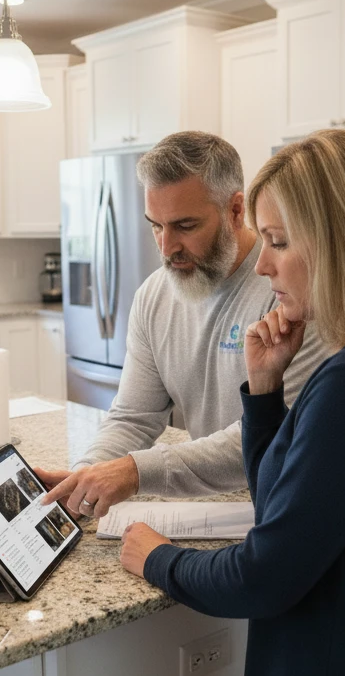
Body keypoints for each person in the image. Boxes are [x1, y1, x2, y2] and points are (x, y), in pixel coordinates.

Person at [118, 129, 345, 676]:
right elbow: (279, 500)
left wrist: (156, 556)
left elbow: (264, 576)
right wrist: (265, 392)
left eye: (276, 240)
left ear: (339, 243)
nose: (264, 263)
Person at [38, 131, 329, 519]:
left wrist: (134, 472)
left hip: (282, 507)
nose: (165, 246)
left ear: (236, 210)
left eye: (185, 226)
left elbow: (275, 435)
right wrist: (86, 477)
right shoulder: (154, 296)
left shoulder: (287, 289)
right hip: (212, 509)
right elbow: (132, 417)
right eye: (155, 225)